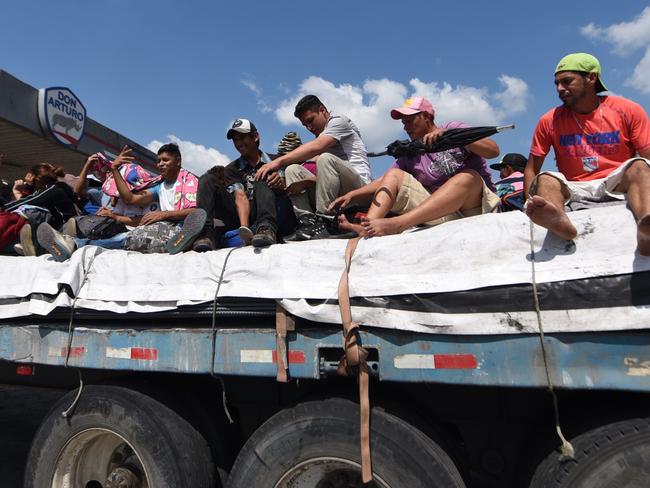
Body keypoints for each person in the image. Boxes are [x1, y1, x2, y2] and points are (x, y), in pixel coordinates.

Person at [524, 53, 650, 255]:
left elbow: (647, 156)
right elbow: (532, 167)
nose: (559, 89)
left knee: (640, 166)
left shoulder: (628, 110)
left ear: (591, 78)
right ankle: (559, 221)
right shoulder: (549, 120)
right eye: (556, 83)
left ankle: (647, 228)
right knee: (545, 179)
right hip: (574, 187)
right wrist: (528, 204)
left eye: (567, 81)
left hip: (616, 181)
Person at [330, 96, 500, 237]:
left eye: (410, 120)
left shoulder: (452, 129)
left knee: (467, 177)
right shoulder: (412, 151)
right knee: (394, 174)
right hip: (444, 212)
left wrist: (451, 136)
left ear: (427, 116)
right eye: (404, 123)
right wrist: (353, 194)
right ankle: (368, 228)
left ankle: (398, 224)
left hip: (476, 208)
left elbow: (493, 151)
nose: (406, 127)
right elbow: (386, 179)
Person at [255, 95, 371, 240]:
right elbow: (329, 177)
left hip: (361, 190)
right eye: (305, 125)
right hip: (341, 193)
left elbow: (318, 147)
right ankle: (307, 222)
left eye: (310, 121)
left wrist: (278, 162)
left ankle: (325, 221)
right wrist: (304, 181)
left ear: (322, 110)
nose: (309, 128)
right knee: (293, 169)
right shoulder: (324, 138)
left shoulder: (338, 121)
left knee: (324, 159)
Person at [170, 119, 290, 252]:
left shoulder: (277, 161)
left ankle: (266, 229)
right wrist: (244, 229)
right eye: (235, 140)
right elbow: (240, 196)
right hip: (242, 215)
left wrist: (280, 185)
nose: (239, 143)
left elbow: (291, 191)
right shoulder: (231, 169)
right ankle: (205, 234)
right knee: (207, 179)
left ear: (255, 137)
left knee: (263, 177)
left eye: (242, 138)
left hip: (273, 211)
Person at [1, 163, 78, 255]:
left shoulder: (52, 189)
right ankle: (31, 246)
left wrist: (3, 208)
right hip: (58, 225)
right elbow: (31, 198)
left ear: (35, 178)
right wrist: (28, 187)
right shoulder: (54, 187)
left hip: (63, 226)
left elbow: (28, 202)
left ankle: (38, 248)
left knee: (31, 213)